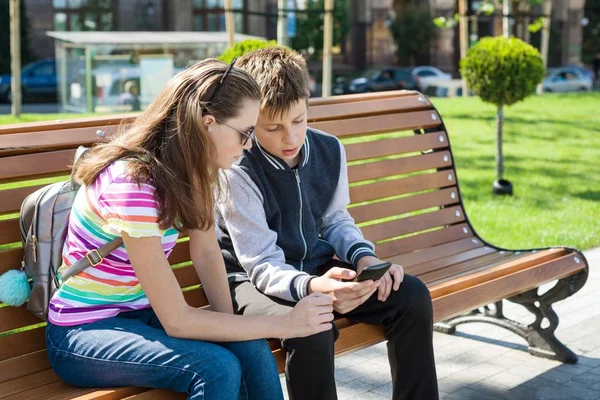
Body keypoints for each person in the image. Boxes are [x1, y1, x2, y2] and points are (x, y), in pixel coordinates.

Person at [45, 58, 334, 400]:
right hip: (83, 332)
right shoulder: (133, 184)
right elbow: (177, 322)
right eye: (245, 133)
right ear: (207, 123)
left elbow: (207, 252)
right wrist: (284, 324)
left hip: (142, 315)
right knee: (216, 369)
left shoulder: (194, 172)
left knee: (251, 350)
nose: (250, 145)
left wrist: (234, 331)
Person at [215, 47, 439, 400]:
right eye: (272, 127)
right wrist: (314, 288)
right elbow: (259, 263)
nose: (290, 138)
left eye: (299, 120)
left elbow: (336, 220)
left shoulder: (330, 150)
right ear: (251, 120)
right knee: (313, 327)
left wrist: (366, 261)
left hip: (315, 270)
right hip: (249, 281)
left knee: (411, 296)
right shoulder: (238, 170)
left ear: (307, 105)